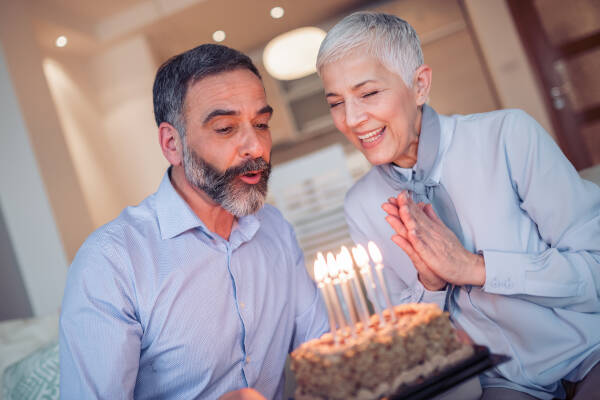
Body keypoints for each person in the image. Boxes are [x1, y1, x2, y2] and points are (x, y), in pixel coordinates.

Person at [316, 11, 600, 400]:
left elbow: (596, 269)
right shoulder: (361, 205)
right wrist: (429, 285)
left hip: (589, 350)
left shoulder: (507, 135)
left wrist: (474, 268)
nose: (351, 119)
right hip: (498, 382)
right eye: (336, 102)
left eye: (367, 94)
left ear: (419, 85)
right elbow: (403, 340)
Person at [59, 43, 328, 400]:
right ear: (172, 144)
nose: (256, 147)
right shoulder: (112, 263)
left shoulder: (275, 229)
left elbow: (326, 355)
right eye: (225, 129)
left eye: (261, 124)